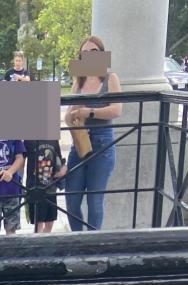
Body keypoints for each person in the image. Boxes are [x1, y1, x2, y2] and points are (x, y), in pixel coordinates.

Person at [63, 35, 123, 232]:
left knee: (94, 202)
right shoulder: (77, 82)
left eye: (94, 52)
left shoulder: (110, 78)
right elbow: (67, 117)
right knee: (71, 201)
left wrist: (88, 112)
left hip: (103, 143)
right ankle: (77, 240)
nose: (89, 56)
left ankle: (91, 245)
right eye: (85, 53)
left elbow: (117, 110)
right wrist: (74, 113)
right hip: (80, 143)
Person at [25, 137, 66, 232]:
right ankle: (38, 245)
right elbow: (21, 159)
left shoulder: (53, 140)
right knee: (38, 223)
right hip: (35, 188)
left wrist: (62, 170)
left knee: (50, 222)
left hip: (51, 187)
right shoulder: (28, 140)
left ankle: (44, 245)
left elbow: (59, 158)